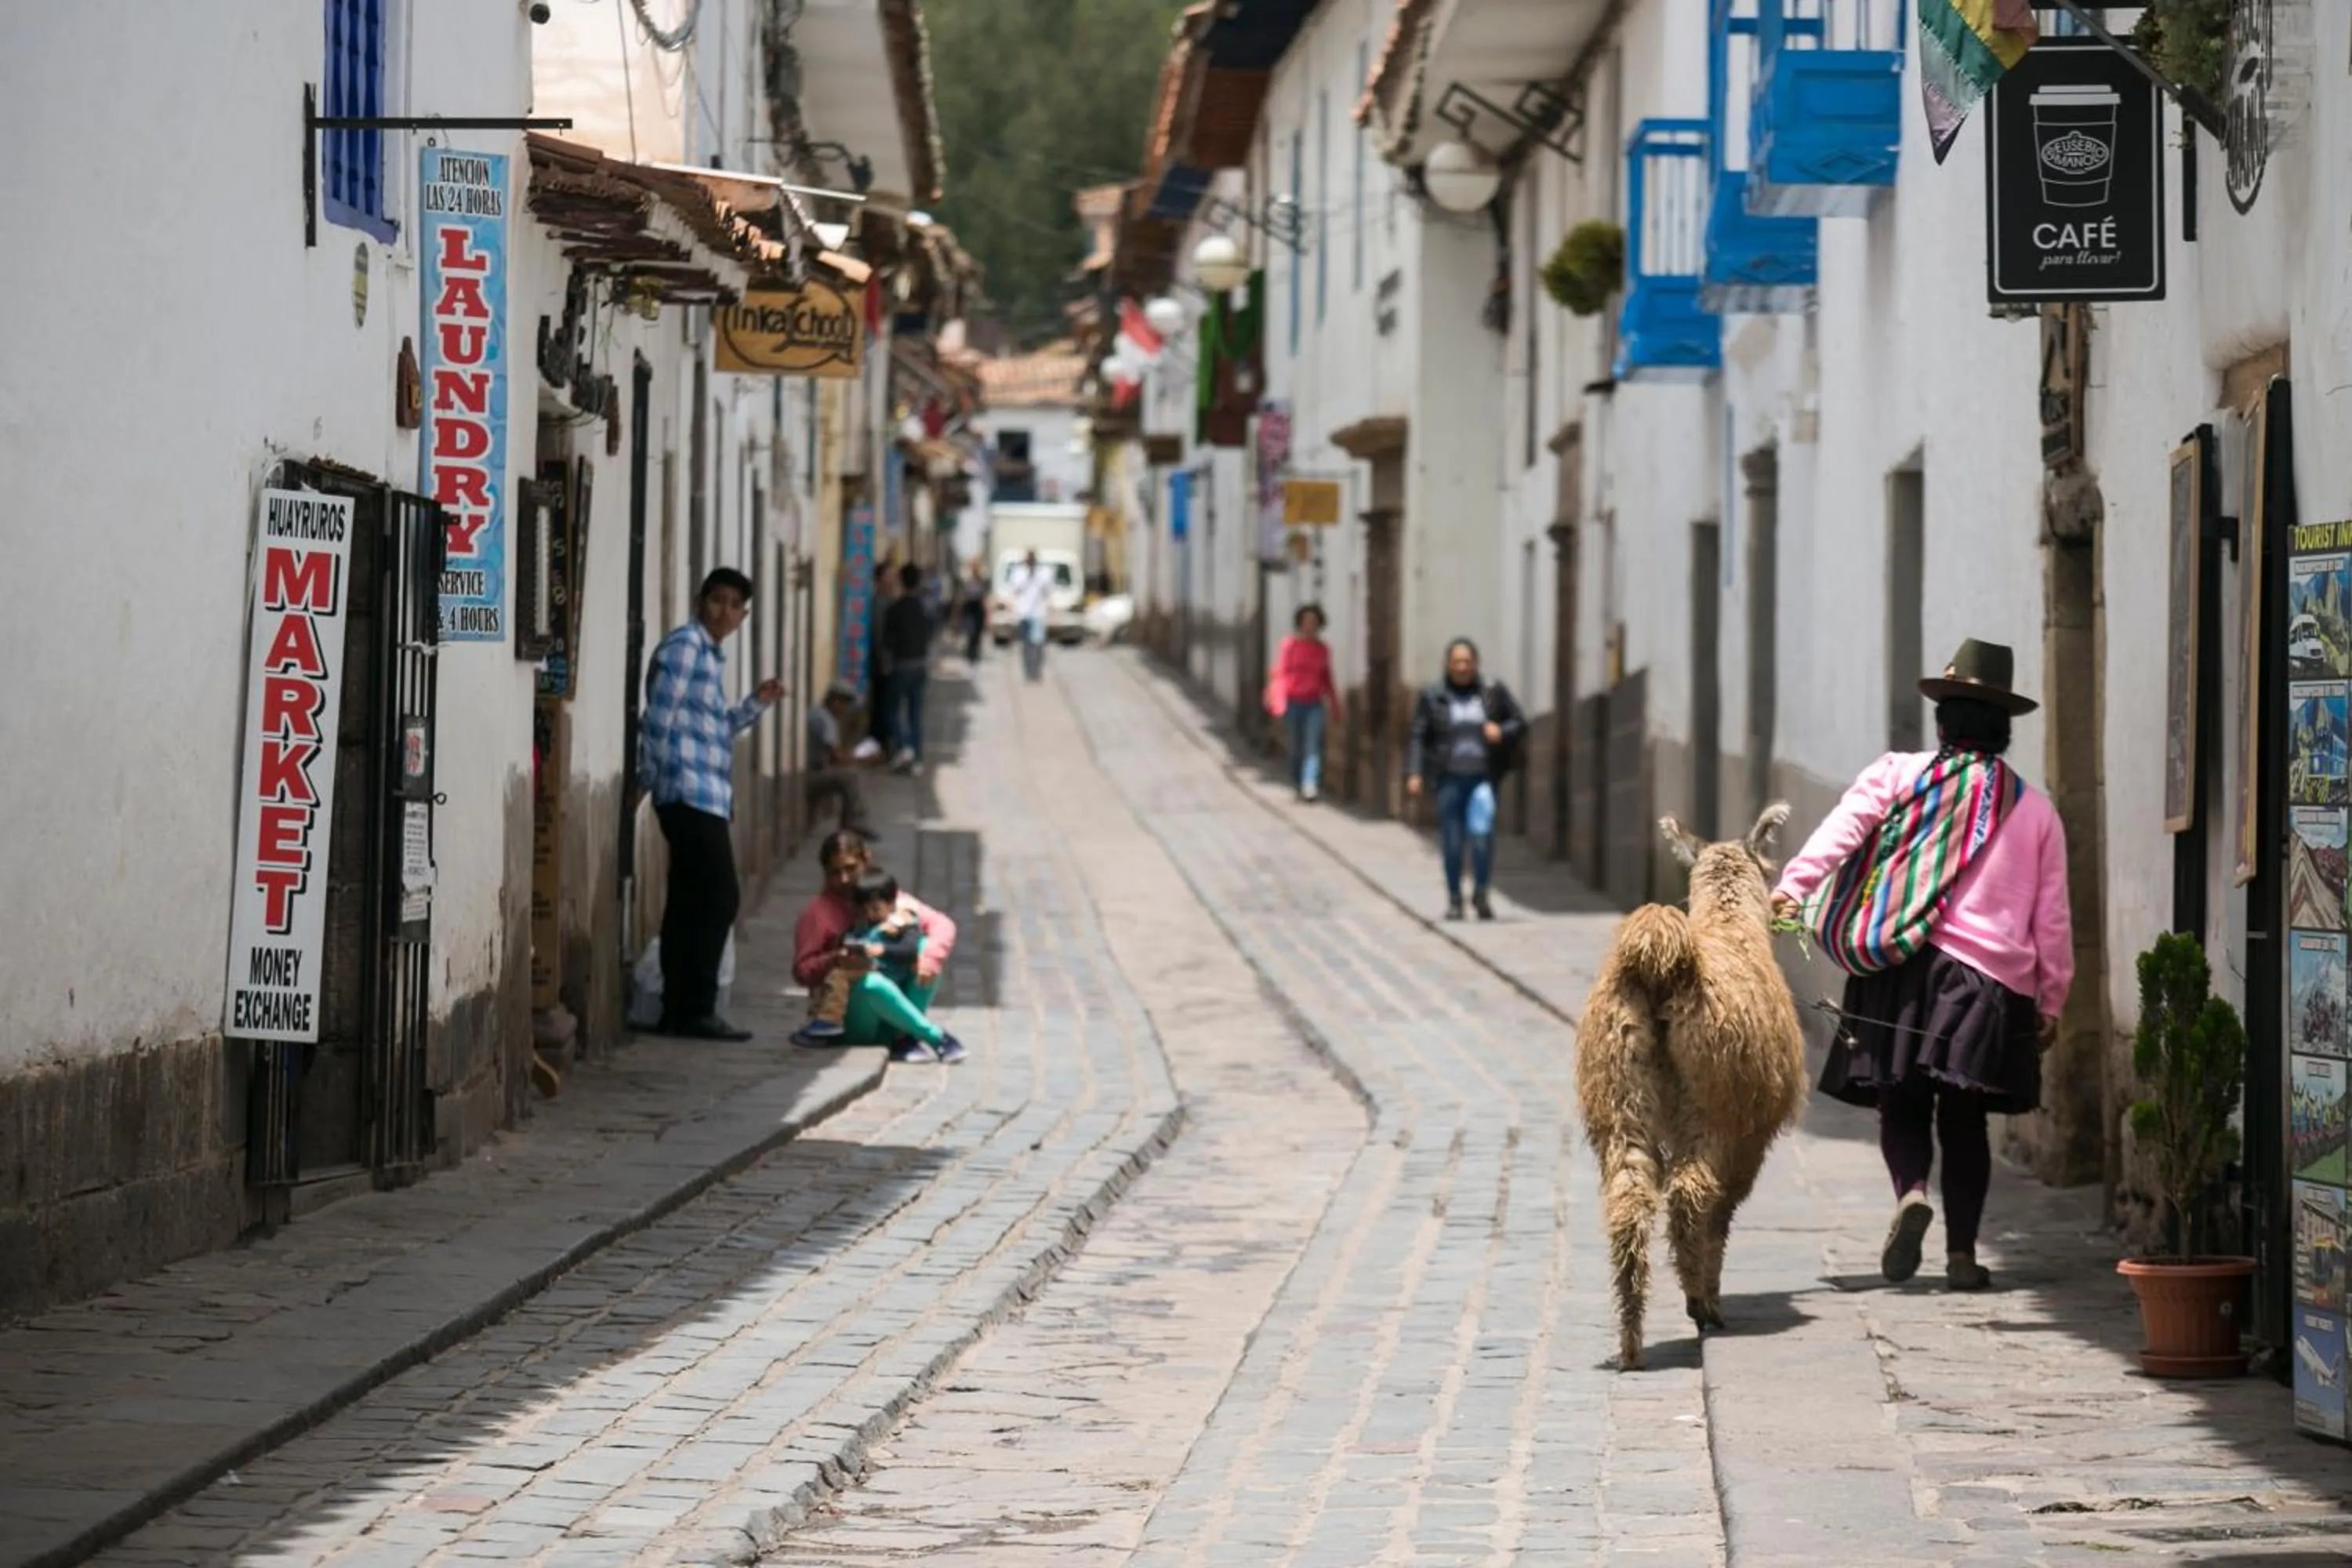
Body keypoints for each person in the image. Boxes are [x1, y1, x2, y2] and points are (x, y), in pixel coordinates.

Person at [1770, 639, 2072, 1293]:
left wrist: (1793, 889)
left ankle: (1910, 1192)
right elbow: (2052, 919)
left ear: (1943, 724)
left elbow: (1841, 832)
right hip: (1987, 984)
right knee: (1964, 1118)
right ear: (2004, 729)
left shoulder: (1897, 775)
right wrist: (2051, 1000)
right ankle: (1962, 1256)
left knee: (1900, 1104)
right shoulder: (2036, 809)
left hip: (1898, 968)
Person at [637, 567, 787, 1040]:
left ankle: (678, 1009)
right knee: (720, 897)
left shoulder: (708, 656)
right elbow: (658, 718)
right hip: (686, 790)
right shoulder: (685, 647)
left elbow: (713, 729)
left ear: (743, 616)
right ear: (702, 601)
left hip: (703, 791)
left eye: (734, 605)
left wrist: (754, 704)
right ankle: (695, 1006)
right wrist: (647, 778)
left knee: (688, 899)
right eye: (716, 600)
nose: (724, 611)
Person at [790, 832, 967, 1064]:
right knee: (871, 983)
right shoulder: (817, 914)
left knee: (924, 947)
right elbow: (802, 971)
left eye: (851, 868)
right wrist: (837, 959)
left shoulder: (886, 896)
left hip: (892, 1016)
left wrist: (929, 958)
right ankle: (937, 1037)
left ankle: (905, 1036)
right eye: (835, 873)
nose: (844, 879)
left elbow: (942, 925)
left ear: (867, 860)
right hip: (850, 1019)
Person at [1405, 638, 1526, 922]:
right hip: (1448, 779)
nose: (1462, 667)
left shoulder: (1491, 692)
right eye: (1457, 662)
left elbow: (1519, 721)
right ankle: (1455, 898)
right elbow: (1418, 735)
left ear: (1475, 664)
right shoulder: (1433, 695)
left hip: (1482, 779)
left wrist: (1501, 730)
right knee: (1452, 842)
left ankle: (1482, 891)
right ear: (1448, 664)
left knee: (1482, 835)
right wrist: (1414, 772)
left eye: (1467, 662)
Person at [1265, 603, 1341, 803]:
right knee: (1296, 747)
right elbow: (1279, 673)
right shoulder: (1289, 645)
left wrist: (1335, 705)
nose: (1310, 626)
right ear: (1300, 623)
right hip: (1293, 703)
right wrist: (1277, 700)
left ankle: (1309, 785)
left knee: (1312, 746)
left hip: (1314, 704)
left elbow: (1327, 678)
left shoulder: (1323, 649)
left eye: (1314, 622)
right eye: (1307, 622)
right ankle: (1298, 782)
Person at [879, 562, 935, 774]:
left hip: (901, 665)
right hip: (920, 665)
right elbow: (930, 633)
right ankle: (918, 760)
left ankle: (904, 747)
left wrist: (885, 664)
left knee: (891, 711)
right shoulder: (924, 608)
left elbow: (886, 640)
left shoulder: (894, 608)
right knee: (915, 714)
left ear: (901, 582)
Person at [804, 681, 876, 835]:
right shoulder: (824, 718)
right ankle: (854, 822)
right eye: (845, 705)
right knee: (850, 776)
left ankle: (851, 822)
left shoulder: (818, 714)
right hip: (808, 775)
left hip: (811, 770)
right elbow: (836, 756)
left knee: (851, 774)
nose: (846, 710)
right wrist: (862, 759)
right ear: (835, 701)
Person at [1006, 549, 1055, 682]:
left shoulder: (1044, 574)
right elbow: (1013, 593)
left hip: (1038, 614)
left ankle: (1036, 669)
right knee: (1026, 644)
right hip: (1023, 614)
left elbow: (1048, 593)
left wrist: (1051, 611)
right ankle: (1028, 671)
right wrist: (1010, 611)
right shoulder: (1019, 573)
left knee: (1038, 643)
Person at [960, 560, 989, 666]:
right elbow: (962, 597)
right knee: (970, 633)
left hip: (978, 610)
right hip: (969, 609)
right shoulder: (968, 582)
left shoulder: (982, 582)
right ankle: (970, 654)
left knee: (977, 634)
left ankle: (975, 654)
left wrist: (987, 616)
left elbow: (984, 599)